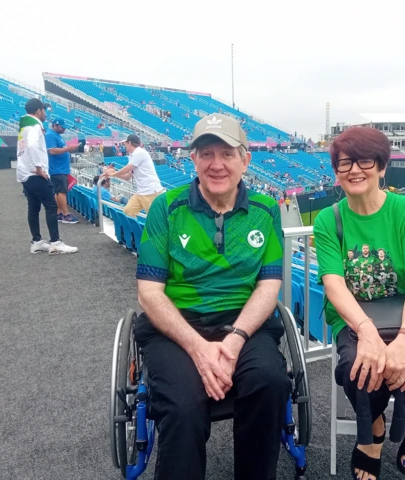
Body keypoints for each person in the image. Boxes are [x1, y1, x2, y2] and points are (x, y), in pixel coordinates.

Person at [134, 113, 289, 479]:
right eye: (206, 153)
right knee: (184, 406)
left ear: (245, 159)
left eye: (227, 153)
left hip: (244, 324)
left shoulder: (266, 210)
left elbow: (269, 287)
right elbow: (150, 293)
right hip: (177, 325)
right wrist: (199, 348)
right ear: (193, 159)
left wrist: (234, 340)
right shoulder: (166, 208)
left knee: (270, 382)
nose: (216, 164)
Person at [313, 127, 405, 479]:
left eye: (364, 161)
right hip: (356, 320)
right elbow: (334, 283)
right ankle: (371, 431)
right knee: (358, 367)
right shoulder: (329, 220)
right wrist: (367, 331)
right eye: (344, 163)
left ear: (382, 166)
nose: (354, 170)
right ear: (336, 171)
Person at [16, 98, 77, 255]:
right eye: (44, 110)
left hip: (24, 173)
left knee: (33, 207)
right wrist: (38, 168)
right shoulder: (35, 125)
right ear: (38, 111)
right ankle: (55, 243)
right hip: (35, 173)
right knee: (50, 206)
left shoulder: (24, 126)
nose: (45, 114)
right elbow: (32, 146)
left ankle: (36, 242)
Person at [104, 134, 164, 217]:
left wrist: (113, 174)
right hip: (141, 192)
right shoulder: (132, 155)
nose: (124, 145)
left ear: (129, 143)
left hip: (150, 191)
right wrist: (114, 175)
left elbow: (127, 168)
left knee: (154, 219)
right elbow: (128, 176)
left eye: (125, 143)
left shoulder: (139, 152)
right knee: (128, 211)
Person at [45, 118, 80, 224]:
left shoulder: (57, 135)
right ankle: (66, 215)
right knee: (61, 192)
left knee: (58, 192)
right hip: (57, 169)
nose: (64, 129)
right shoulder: (50, 135)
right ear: (55, 125)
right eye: (62, 127)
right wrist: (68, 149)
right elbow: (52, 151)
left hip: (61, 169)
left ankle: (59, 212)